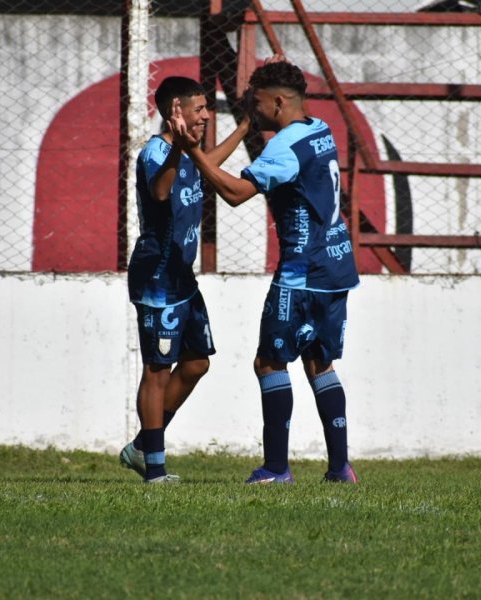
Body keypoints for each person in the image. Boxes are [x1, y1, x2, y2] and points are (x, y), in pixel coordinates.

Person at [169, 58, 360, 484]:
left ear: (277, 103)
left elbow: (236, 193)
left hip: (302, 272)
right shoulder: (319, 129)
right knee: (319, 362)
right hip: (337, 265)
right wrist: (272, 74)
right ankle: (340, 468)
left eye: (257, 104)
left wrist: (192, 150)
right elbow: (279, 96)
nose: (253, 111)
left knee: (269, 362)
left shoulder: (284, 148)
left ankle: (275, 468)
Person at [121, 76, 250, 484]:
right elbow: (161, 192)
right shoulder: (156, 152)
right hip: (158, 280)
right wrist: (179, 146)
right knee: (157, 371)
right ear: (174, 111)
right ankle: (154, 470)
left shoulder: (188, 151)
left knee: (196, 363)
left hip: (183, 279)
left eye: (206, 108)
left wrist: (245, 126)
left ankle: (142, 446)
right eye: (199, 109)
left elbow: (209, 162)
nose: (206, 116)